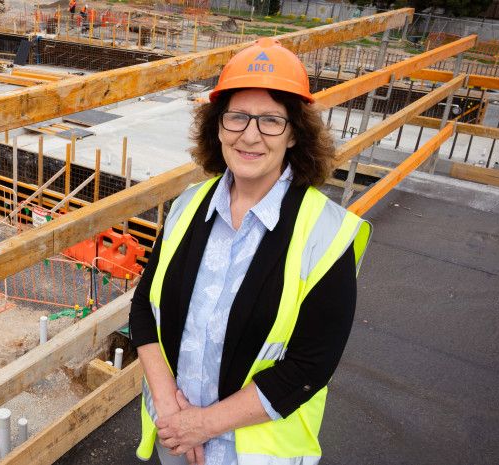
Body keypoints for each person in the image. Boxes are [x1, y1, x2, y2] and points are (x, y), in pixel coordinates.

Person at [129, 37, 372, 465]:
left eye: (271, 121)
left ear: (295, 133)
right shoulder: (189, 206)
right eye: (237, 117)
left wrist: (201, 425)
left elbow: (308, 367)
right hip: (176, 439)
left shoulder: (327, 232)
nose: (250, 135)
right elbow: (144, 310)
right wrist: (170, 410)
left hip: (256, 456)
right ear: (217, 125)